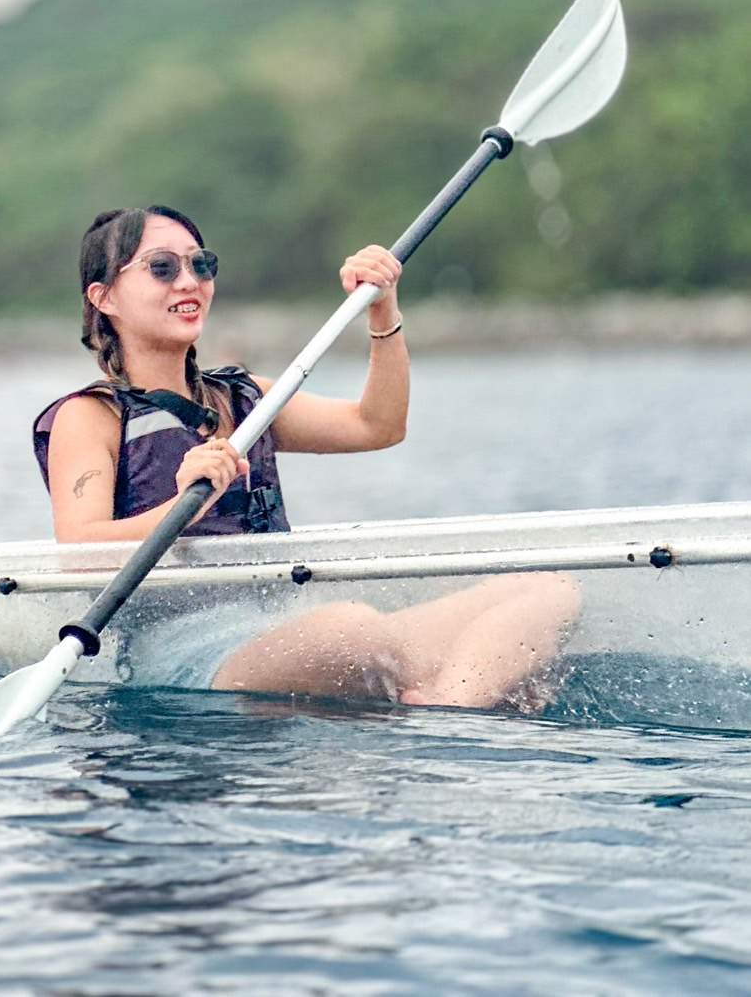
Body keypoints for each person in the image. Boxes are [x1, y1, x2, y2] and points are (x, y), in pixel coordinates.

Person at [33, 205, 579, 710]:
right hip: (192, 659)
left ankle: (447, 708)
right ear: (104, 298)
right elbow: (79, 553)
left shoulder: (247, 399)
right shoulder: (91, 416)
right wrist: (182, 506)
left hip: (294, 628)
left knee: (548, 592)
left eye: (201, 264)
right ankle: (458, 687)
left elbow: (378, 426)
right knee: (354, 632)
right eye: (161, 267)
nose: (189, 281)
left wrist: (381, 313)